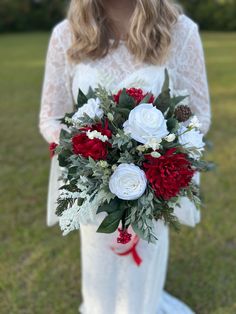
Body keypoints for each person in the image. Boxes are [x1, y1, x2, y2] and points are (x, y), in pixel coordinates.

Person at [39, 0, 211, 313]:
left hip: (153, 189)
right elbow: (50, 117)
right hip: (93, 187)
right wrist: (85, 153)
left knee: (143, 276)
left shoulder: (180, 32)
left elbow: (197, 115)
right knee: (99, 273)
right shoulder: (68, 34)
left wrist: (158, 159)